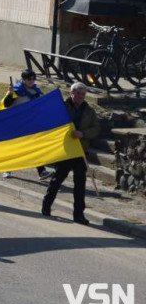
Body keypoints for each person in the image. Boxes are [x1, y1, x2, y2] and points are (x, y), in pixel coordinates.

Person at [42, 83, 100, 225]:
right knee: (57, 179)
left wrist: (83, 133)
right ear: (71, 93)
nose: (80, 96)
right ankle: (46, 205)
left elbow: (96, 129)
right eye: (78, 93)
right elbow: (51, 123)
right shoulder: (61, 107)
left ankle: (79, 214)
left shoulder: (89, 111)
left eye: (83, 94)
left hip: (81, 151)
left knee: (80, 185)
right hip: (66, 150)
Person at [1, 69, 55, 181]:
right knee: (13, 148)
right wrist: (10, 93)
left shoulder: (36, 91)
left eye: (33, 78)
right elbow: (6, 104)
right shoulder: (16, 89)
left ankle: (41, 171)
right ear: (24, 79)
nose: (31, 81)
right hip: (17, 124)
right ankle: (7, 169)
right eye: (29, 79)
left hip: (30, 124)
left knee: (35, 146)